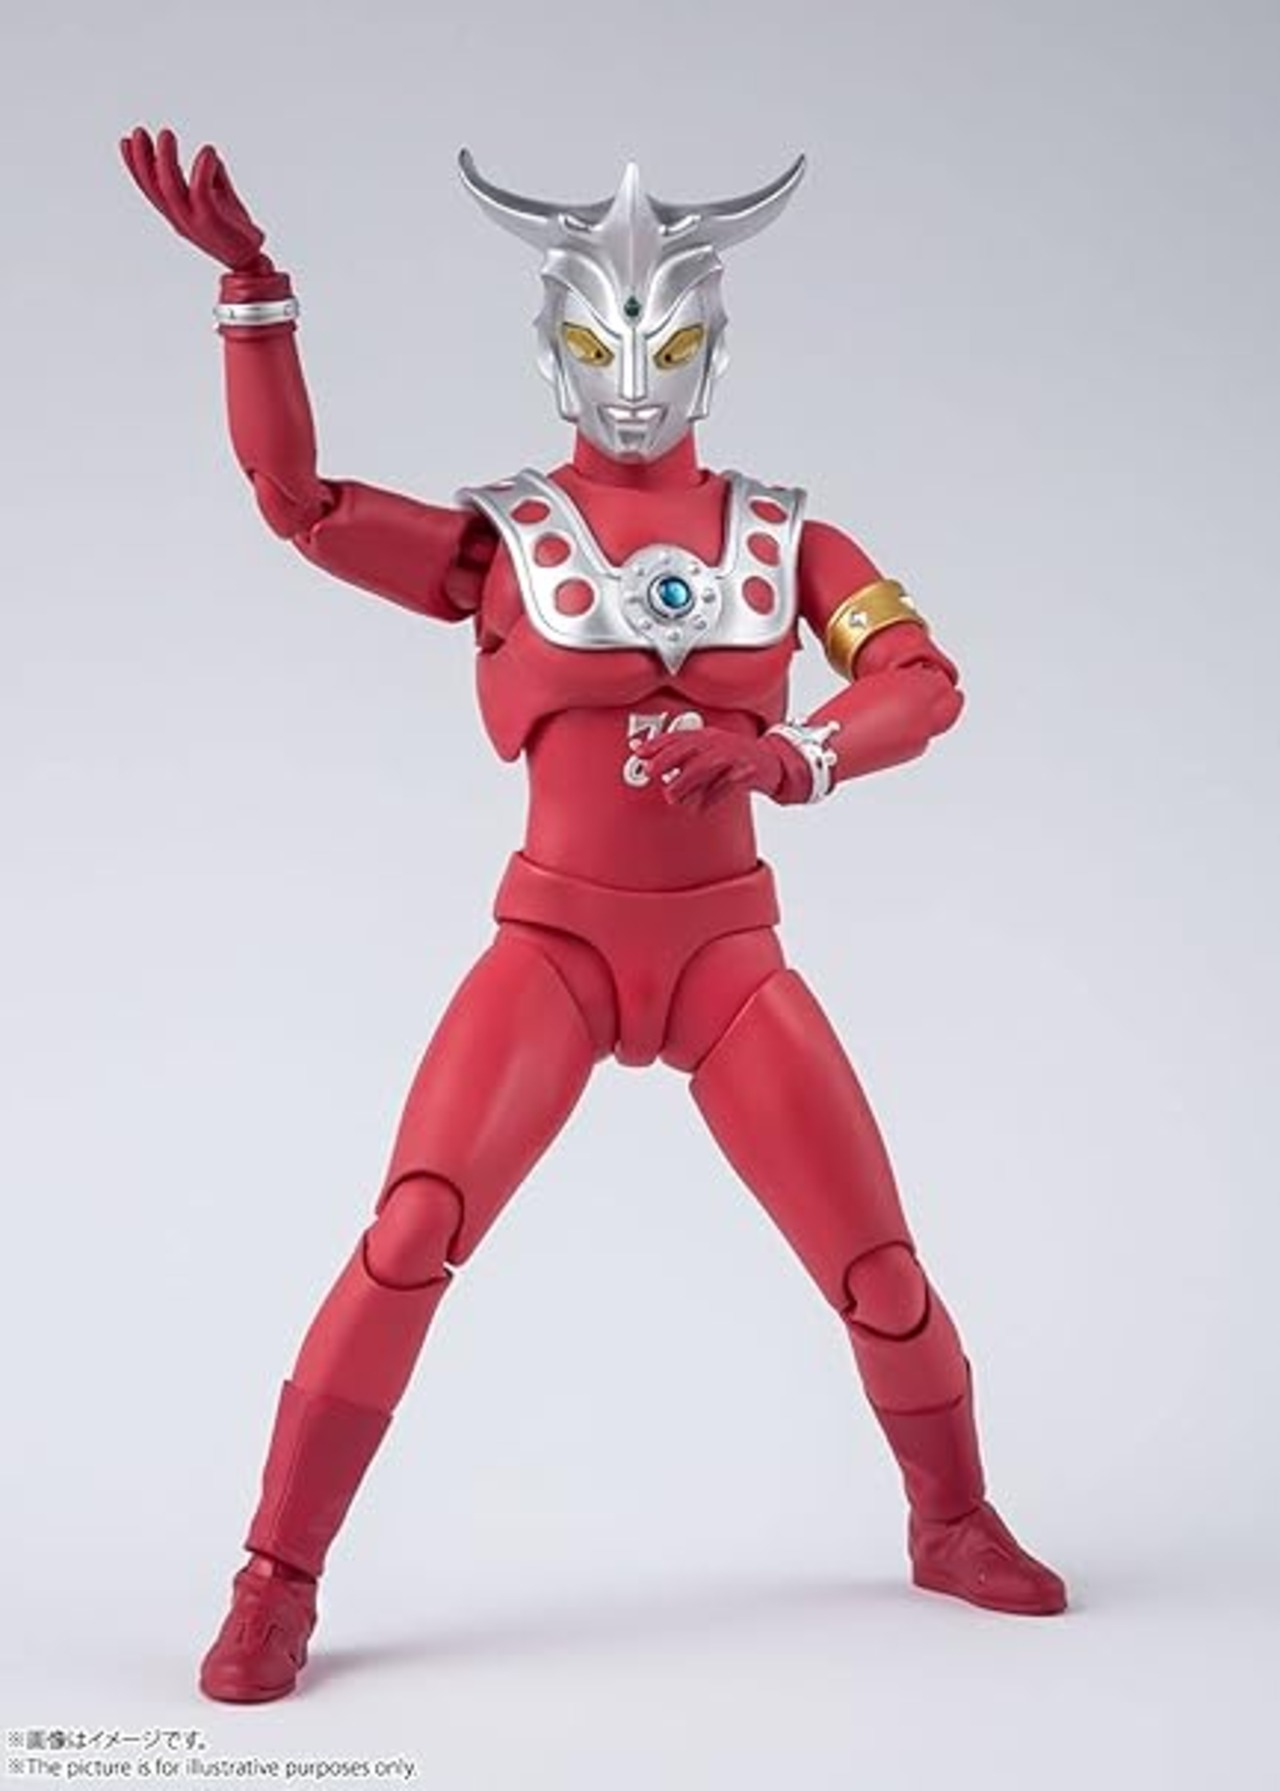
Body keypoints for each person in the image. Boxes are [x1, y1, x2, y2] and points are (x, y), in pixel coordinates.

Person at [120, 128, 1068, 1703]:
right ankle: (275, 1578)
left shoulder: (785, 536)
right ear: (553, 348)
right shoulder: (504, 541)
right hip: (558, 950)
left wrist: (792, 752)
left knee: (880, 1274)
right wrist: (254, 294)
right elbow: (298, 501)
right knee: (412, 1231)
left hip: (725, 960)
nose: (635, 380)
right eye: (603, 345)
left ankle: (952, 1518)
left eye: (669, 347)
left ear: (715, 351)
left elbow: (921, 680)